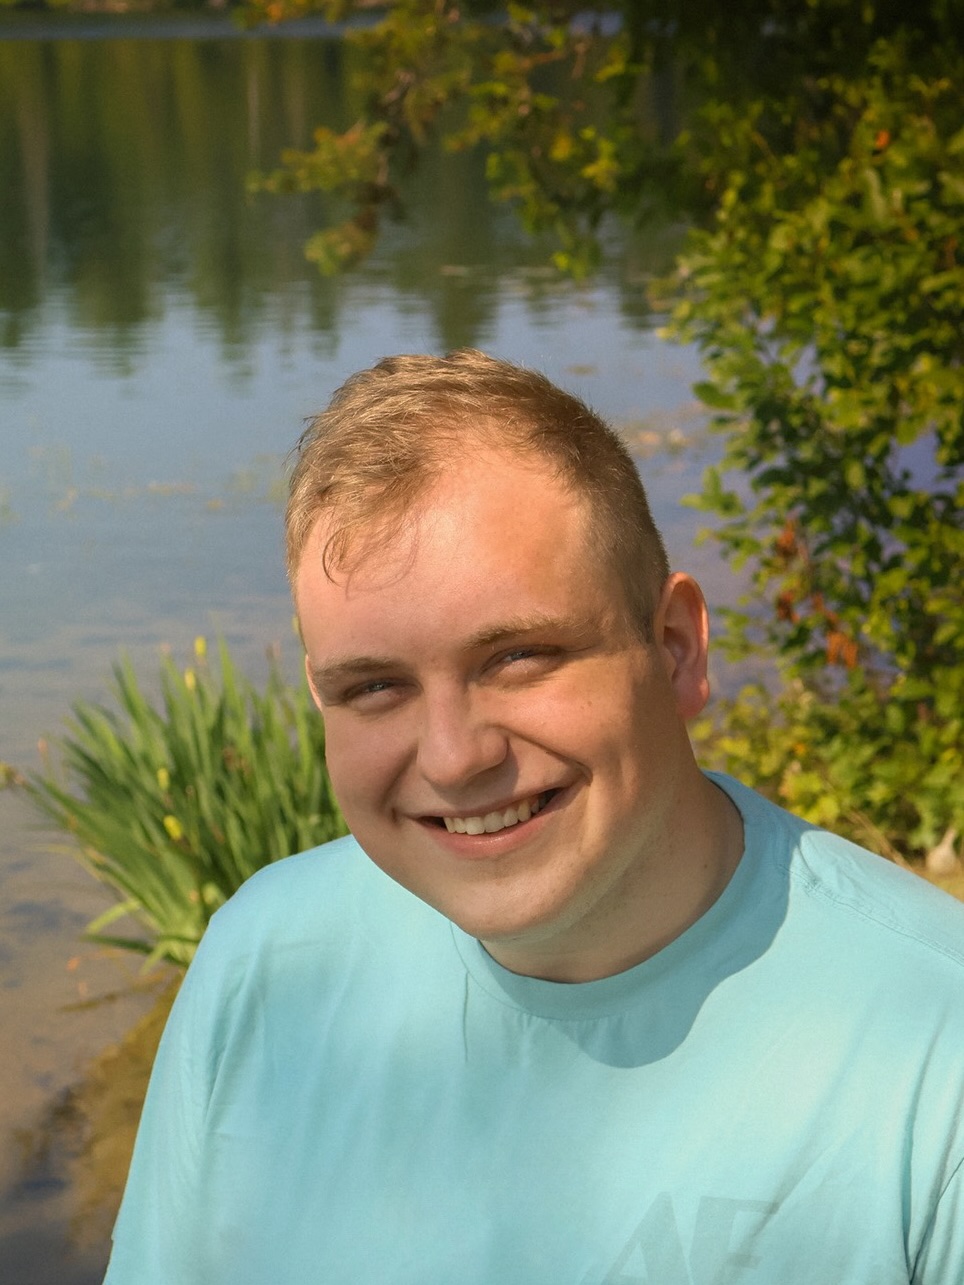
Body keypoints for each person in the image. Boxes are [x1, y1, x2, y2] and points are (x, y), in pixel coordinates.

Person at [104, 350, 964, 1285]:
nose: (453, 756)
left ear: (675, 651)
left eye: (518, 657)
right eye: (375, 685)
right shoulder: (260, 968)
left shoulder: (930, 1046)